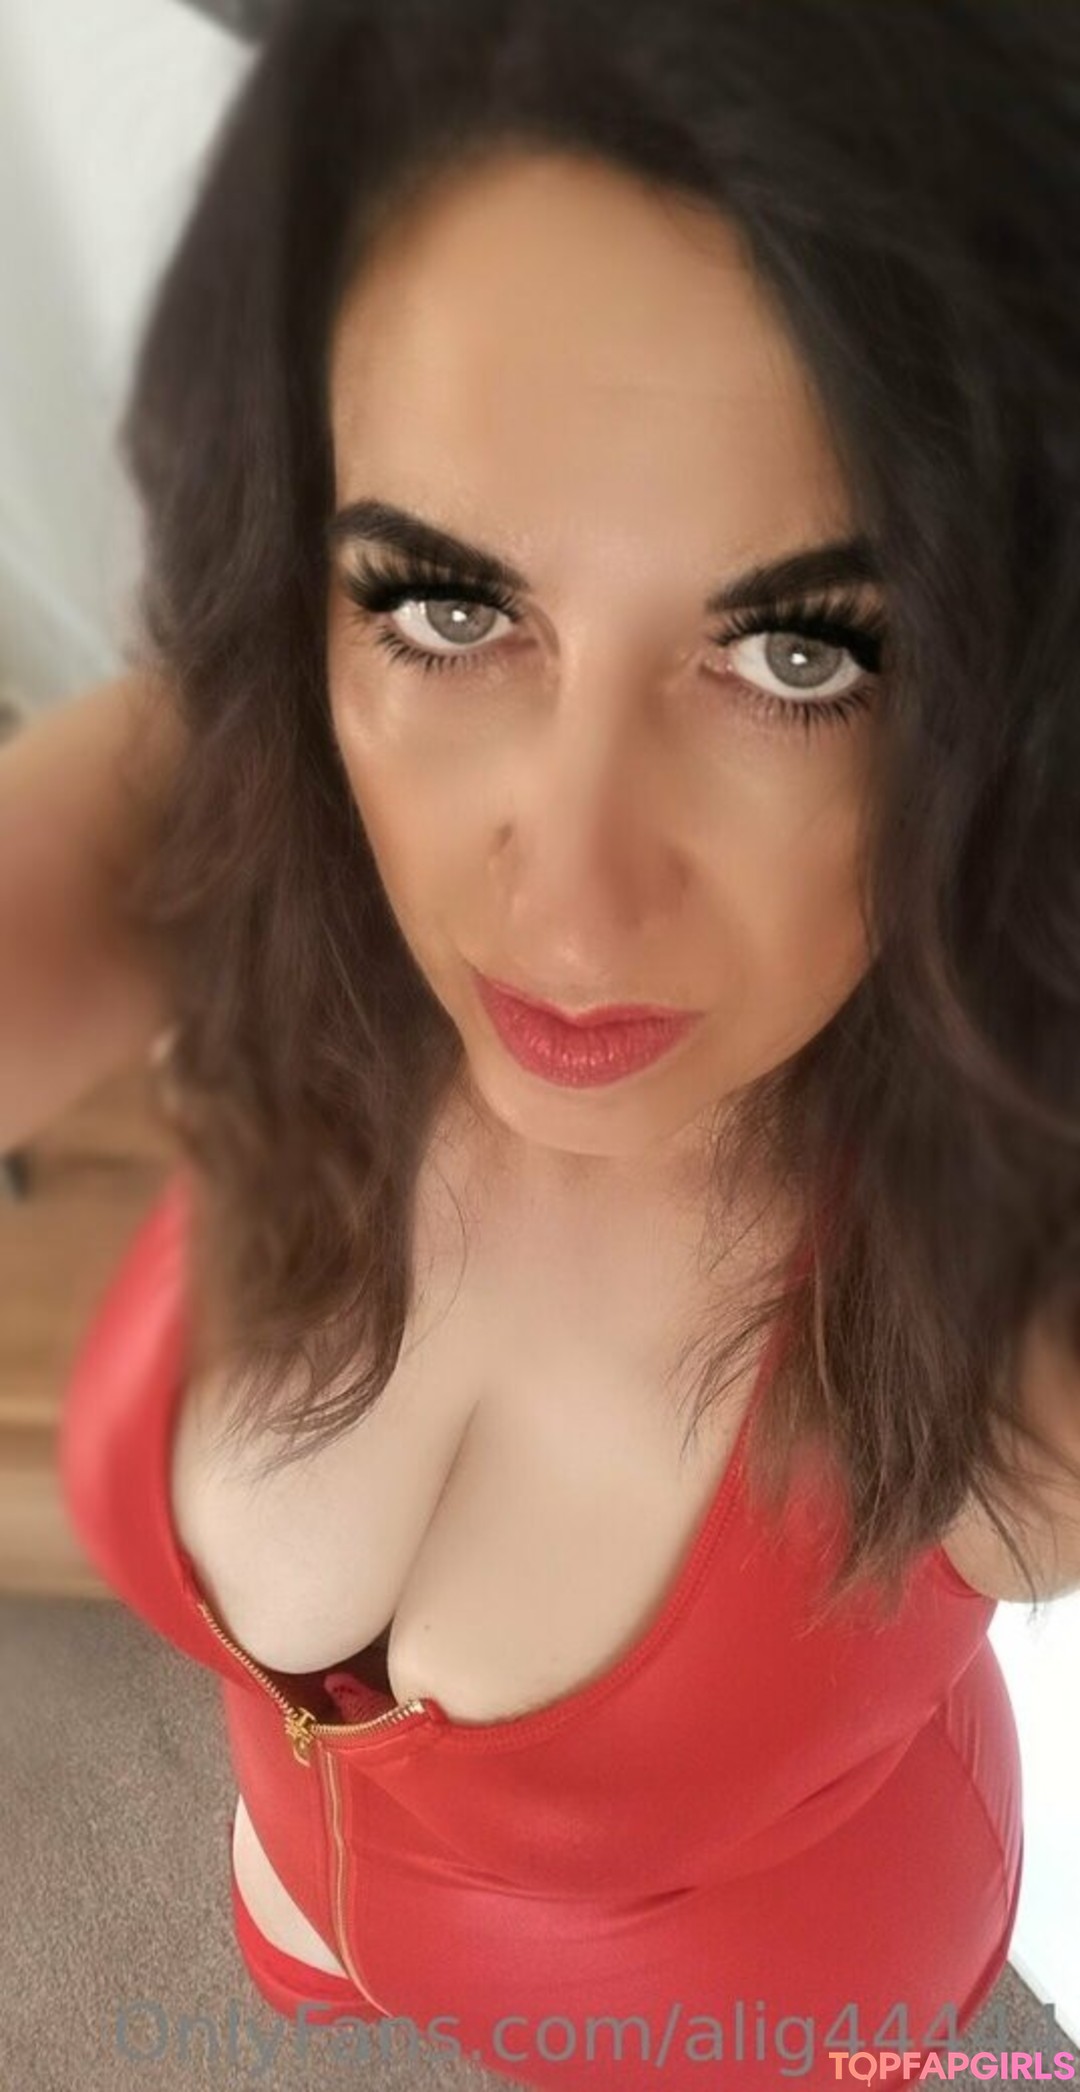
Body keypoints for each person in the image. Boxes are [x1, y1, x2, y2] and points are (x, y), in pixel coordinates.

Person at [9, 0, 1079, 2084]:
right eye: (453, 604)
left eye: (801, 656)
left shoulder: (1000, 1286)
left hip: (781, 2004)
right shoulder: (267, 788)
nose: (571, 921)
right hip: (306, 1898)